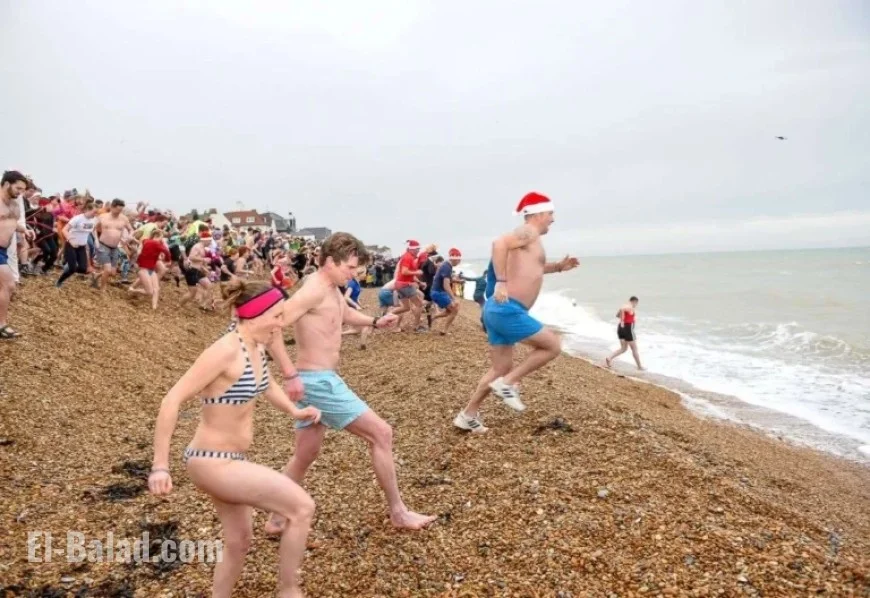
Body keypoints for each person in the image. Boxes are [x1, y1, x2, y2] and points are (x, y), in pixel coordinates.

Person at [148, 280, 321, 598]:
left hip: (231, 460)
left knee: (239, 542)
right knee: (301, 507)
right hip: (212, 462)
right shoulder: (224, 351)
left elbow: (266, 384)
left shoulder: (254, 346)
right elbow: (171, 400)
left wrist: (295, 413)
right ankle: (289, 591)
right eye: (277, 316)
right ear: (257, 314)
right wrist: (160, 465)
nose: (281, 324)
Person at [264, 232, 437, 531]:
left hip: (316, 379)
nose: (355, 274)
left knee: (306, 453)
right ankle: (399, 513)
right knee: (381, 434)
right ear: (330, 261)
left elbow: (342, 314)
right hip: (316, 381)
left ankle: (277, 517)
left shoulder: (331, 287)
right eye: (351, 268)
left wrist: (374, 322)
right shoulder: (314, 289)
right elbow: (272, 326)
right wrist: (289, 373)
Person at [454, 192, 579, 433]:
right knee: (552, 346)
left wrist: (559, 268)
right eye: (550, 214)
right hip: (506, 307)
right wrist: (501, 282)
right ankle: (509, 383)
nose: (553, 219)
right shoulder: (528, 231)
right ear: (539, 214)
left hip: (498, 309)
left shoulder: (530, 240)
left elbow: (533, 269)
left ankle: (467, 415)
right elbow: (498, 244)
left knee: (499, 368)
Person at [0, 171, 31, 339]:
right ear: (6, 183)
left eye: (23, 190)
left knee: (5, 286)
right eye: (18, 188)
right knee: (9, 285)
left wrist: (25, 229)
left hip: (3, 250)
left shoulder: (14, 205)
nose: (20, 192)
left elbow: (11, 223)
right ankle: (2, 325)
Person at [55, 201, 99, 288]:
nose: (95, 214)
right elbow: (64, 230)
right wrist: (71, 240)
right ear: (87, 210)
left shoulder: (94, 220)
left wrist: (96, 240)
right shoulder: (77, 218)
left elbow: (93, 230)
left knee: (83, 269)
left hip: (81, 246)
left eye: (96, 212)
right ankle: (59, 281)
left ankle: (69, 267)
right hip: (71, 245)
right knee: (72, 269)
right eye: (94, 212)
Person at [92, 199, 133, 290]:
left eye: (121, 210)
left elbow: (131, 229)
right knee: (107, 269)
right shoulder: (102, 216)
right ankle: (102, 289)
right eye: (118, 210)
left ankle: (96, 275)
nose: (119, 212)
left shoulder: (124, 218)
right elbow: (93, 228)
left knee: (113, 273)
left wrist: (129, 236)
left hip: (114, 247)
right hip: (103, 245)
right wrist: (96, 240)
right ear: (112, 207)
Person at [390, 240, 425, 332]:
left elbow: (409, 275)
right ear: (412, 249)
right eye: (418, 249)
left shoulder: (408, 257)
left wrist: (420, 282)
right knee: (419, 304)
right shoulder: (407, 257)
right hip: (405, 285)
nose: (418, 250)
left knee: (406, 307)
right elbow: (404, 272)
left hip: (399, 285)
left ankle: (387, 315)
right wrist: (417, 272)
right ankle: (416, 326)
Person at [132, 229, 171, 310]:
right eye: (161, 237)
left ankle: (154, 308)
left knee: (156, 289)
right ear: (157, 236)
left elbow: (161, 253)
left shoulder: (151, 243)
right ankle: (132, 290)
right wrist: (167, 259)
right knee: (150, 292)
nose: (162, 239)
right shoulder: (151, 242)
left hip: (151, 269)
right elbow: (166, 252)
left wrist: (160, 256)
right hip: (144, 269)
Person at [605, 296, 644, 370]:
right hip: (628, 329)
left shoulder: (623, 306)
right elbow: (624, 310)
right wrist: (625, 319)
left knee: (624, 348)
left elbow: (617, 315)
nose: (636, 306)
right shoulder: (630, 307)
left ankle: (609, 357)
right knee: (634, 348)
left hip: (620, 328)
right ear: (634, 302)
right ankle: (640, 367)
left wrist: (623, 318)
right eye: (636, 304)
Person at [430, 248, 463, 335]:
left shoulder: (446, 265)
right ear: (455, 259)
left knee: (448, 312)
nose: (459, 262)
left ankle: (433, 317)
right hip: (438, 293)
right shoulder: (447, 267)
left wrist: (457, 281)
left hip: (437, 292)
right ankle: (444, 330)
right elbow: (446, 285)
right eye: (459, 260)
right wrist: (454, 298)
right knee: (455, 309)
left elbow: (445, 280)